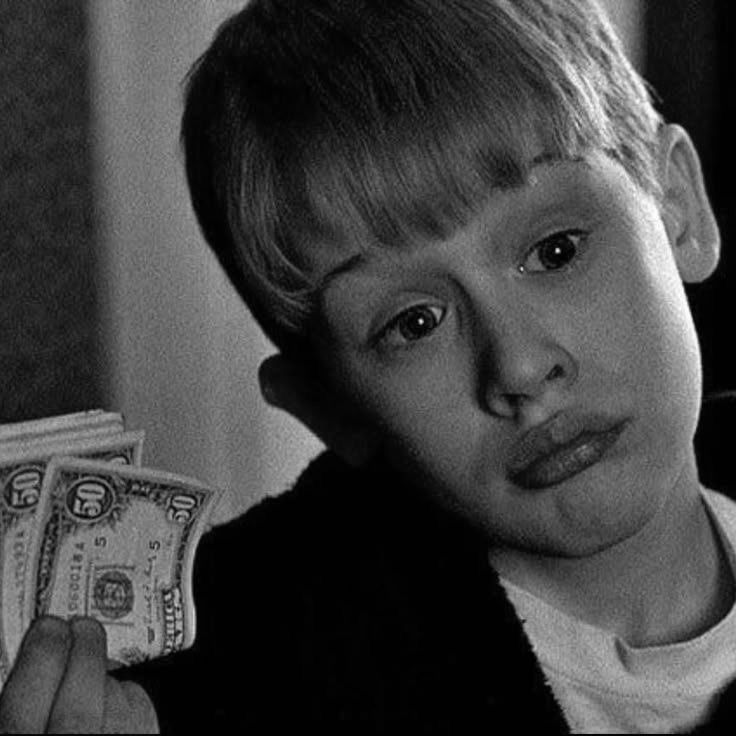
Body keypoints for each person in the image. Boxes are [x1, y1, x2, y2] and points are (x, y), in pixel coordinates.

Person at [0, 0, 731, 732]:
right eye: (414, 324)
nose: (519, 366)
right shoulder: (234, 690)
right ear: (329, 409)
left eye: (556, 251)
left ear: (679, 209)